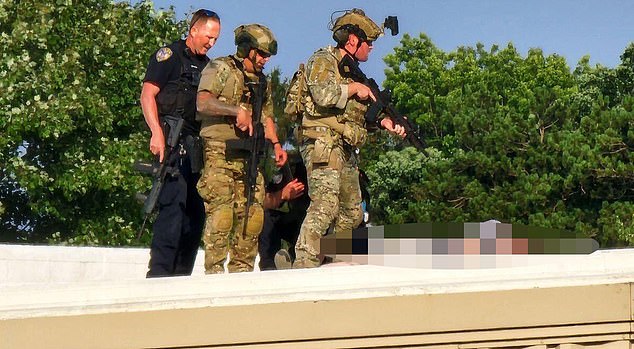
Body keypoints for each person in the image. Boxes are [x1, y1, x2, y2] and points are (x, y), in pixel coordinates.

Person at [293, 9, 406, 268]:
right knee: (325, 204)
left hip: (344, 146)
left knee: (353, 210)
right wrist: (355, 88)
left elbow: (361, 113)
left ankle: (332, 260)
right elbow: (323, 95)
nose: (372, 49)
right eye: (370, 43)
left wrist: (386, 122)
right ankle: (303, 264)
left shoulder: (353, 72)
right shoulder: (324, 60)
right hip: (321, 141)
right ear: (352, 41)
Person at [196, 24, 287, 274]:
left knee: (252, 218)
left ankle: (242, 277)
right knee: (222, 216)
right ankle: (213, 275)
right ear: (247, 49)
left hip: (250, 156)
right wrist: (236, 111)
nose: (266, 60)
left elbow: (267, 118)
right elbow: (202, 103)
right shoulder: (221, 68)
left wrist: (277, 146)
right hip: (220, 152)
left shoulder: (263, 82)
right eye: (262, 54)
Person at [140, 9, 221, 277]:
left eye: (215, 39)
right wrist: (156, 133)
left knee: (195, 216)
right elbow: (148, 94)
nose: (211, 43)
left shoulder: (210, 68)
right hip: (172, 143)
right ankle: (159, 275)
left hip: (197, 148)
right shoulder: (169, 56)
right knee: (173, 210)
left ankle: (181, 277)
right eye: (208, 36)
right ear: (194, 30)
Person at [258, 157, 309, 270]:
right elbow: (260, 203)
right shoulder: (280, 166)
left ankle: (294, 258)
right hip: (291, 222)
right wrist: (282, 195)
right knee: (266, 217)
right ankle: (269, 266)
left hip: (312, 225)